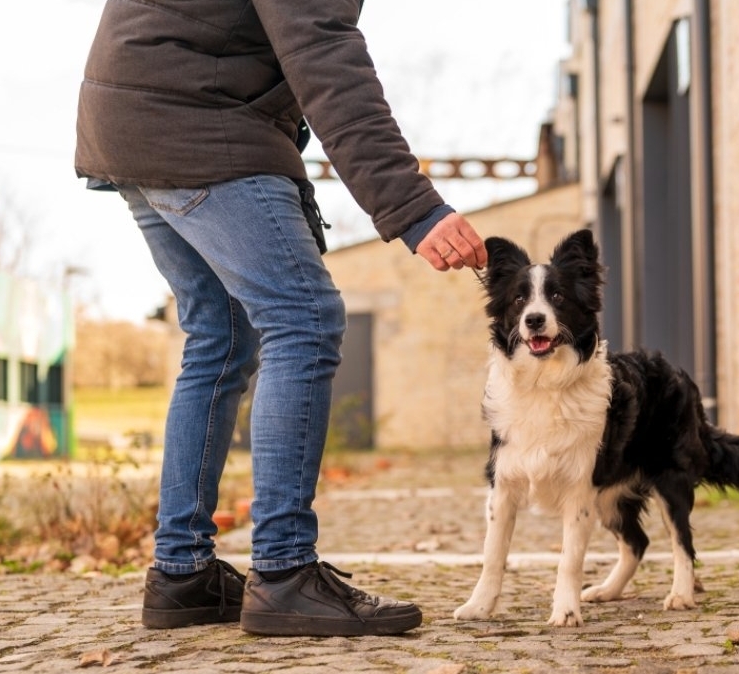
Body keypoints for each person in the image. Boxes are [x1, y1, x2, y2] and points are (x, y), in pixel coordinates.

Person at [74, 0, 487, 637]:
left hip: (131, 118)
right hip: (198, 124)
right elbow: (328, 65)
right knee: (303, 318)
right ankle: (285, 572)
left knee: (218, 338)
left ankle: (181, 575)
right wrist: (415, 210)